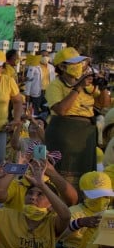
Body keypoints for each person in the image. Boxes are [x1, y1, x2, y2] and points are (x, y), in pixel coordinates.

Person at [46, 46, 109, 184]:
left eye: (80, 63)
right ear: (62, 67)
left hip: (86, 133)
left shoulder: (87, 84)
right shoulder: (55, 85)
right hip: (64, 134)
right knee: (62, 174)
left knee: (84, 174)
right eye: (74, 63)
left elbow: (104, 104)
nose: (79, 66)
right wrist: (78, 88)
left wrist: (103, 87)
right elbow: (61, 110)